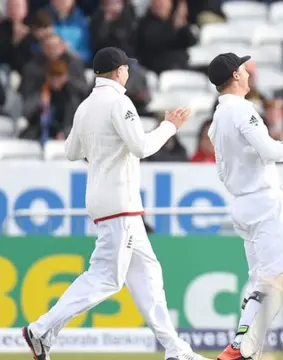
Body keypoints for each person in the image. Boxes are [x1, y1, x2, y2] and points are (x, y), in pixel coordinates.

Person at [21, 47, 210, 360]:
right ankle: (40, 329)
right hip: (119, 202)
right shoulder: (120, 102)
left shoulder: (85, 106)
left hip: (107, 202)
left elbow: (70, 151)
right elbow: (141, 147)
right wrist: (169, 127)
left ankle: (177, 351)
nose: (128, 72)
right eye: (127, 68)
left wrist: (102, 146)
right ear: (120, 70)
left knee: (148, 276)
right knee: (106, 278)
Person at [205, 52, 283, 360]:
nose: (249, 73)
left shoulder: (216, 119)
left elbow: (223, 171)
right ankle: (245, 347)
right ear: (235, 75)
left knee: (258, 281)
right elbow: (269, 151)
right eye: (244, 69)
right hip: (264, 204)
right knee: (276, 279)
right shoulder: (241, 109)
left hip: (243, 204)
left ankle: (239, 346)